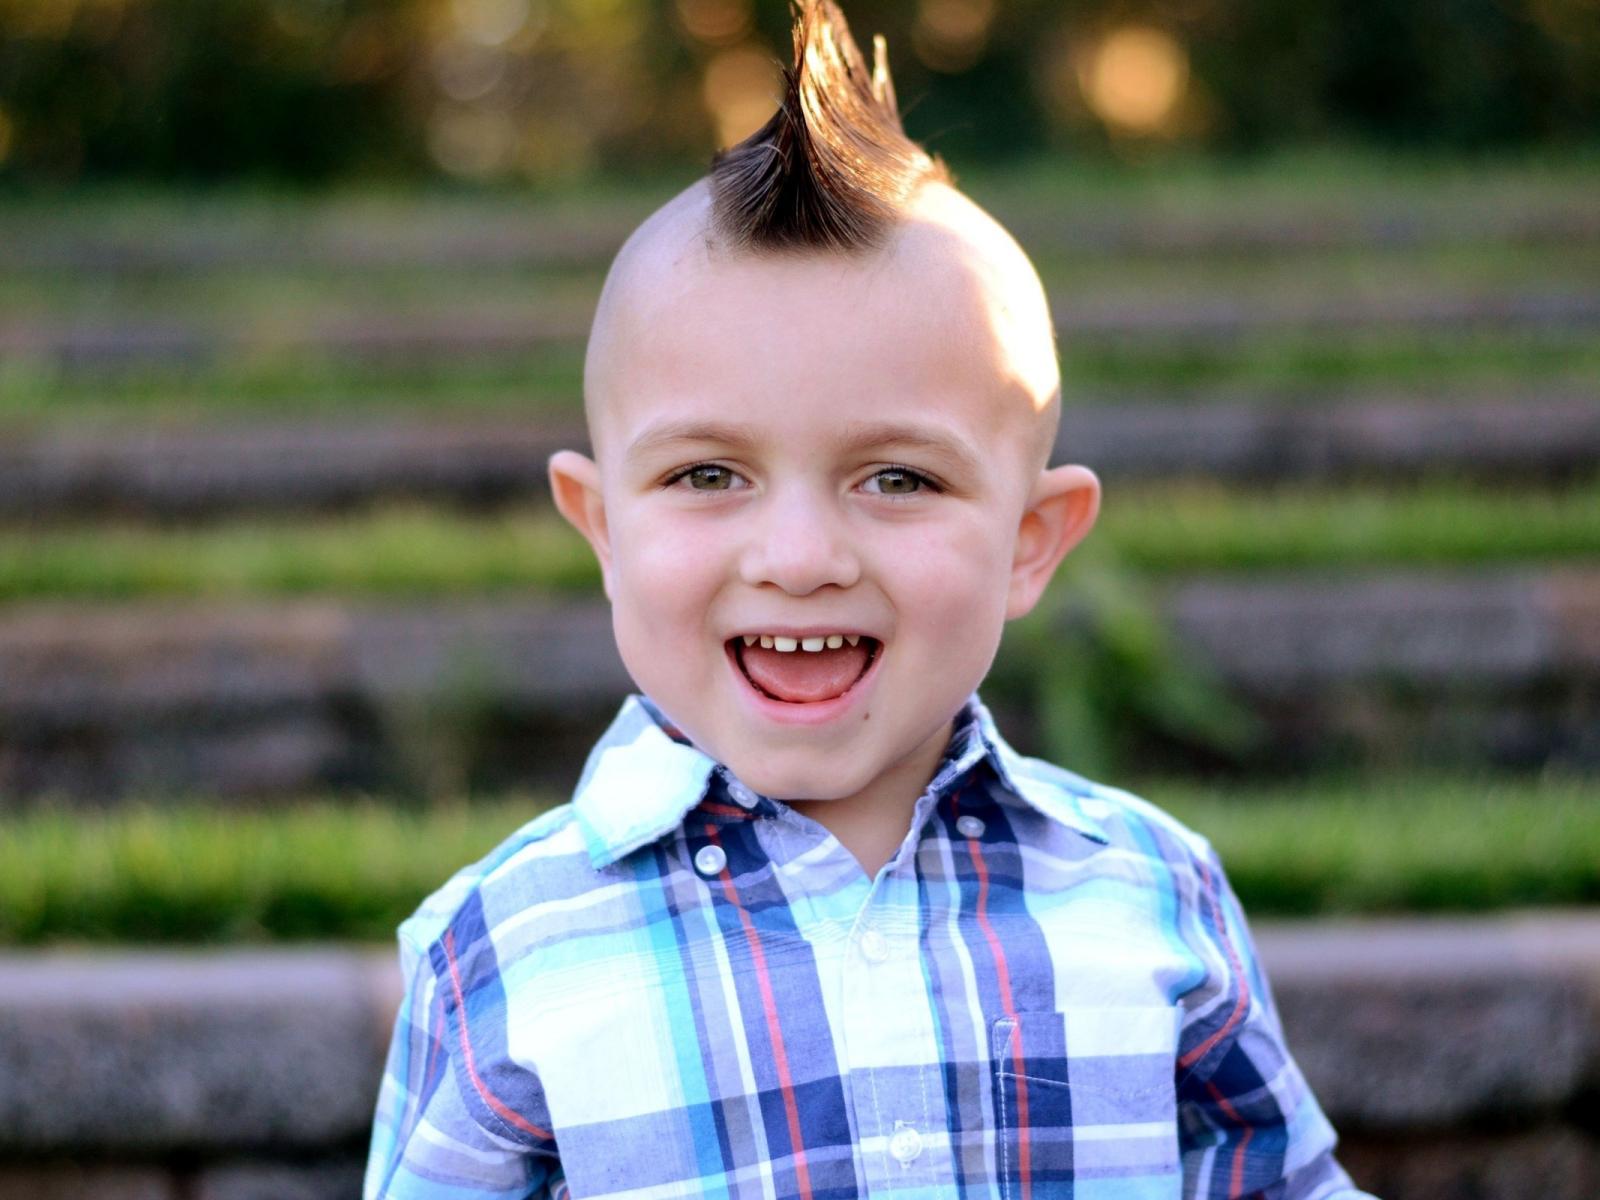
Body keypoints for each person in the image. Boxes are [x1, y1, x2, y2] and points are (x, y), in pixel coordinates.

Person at [364, 2, 1375, 1196]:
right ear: (603, 530)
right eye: (707, 476)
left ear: (1030, 543)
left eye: (898, 479)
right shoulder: (503, 949)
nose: (799, 557)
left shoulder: (1149, 892)